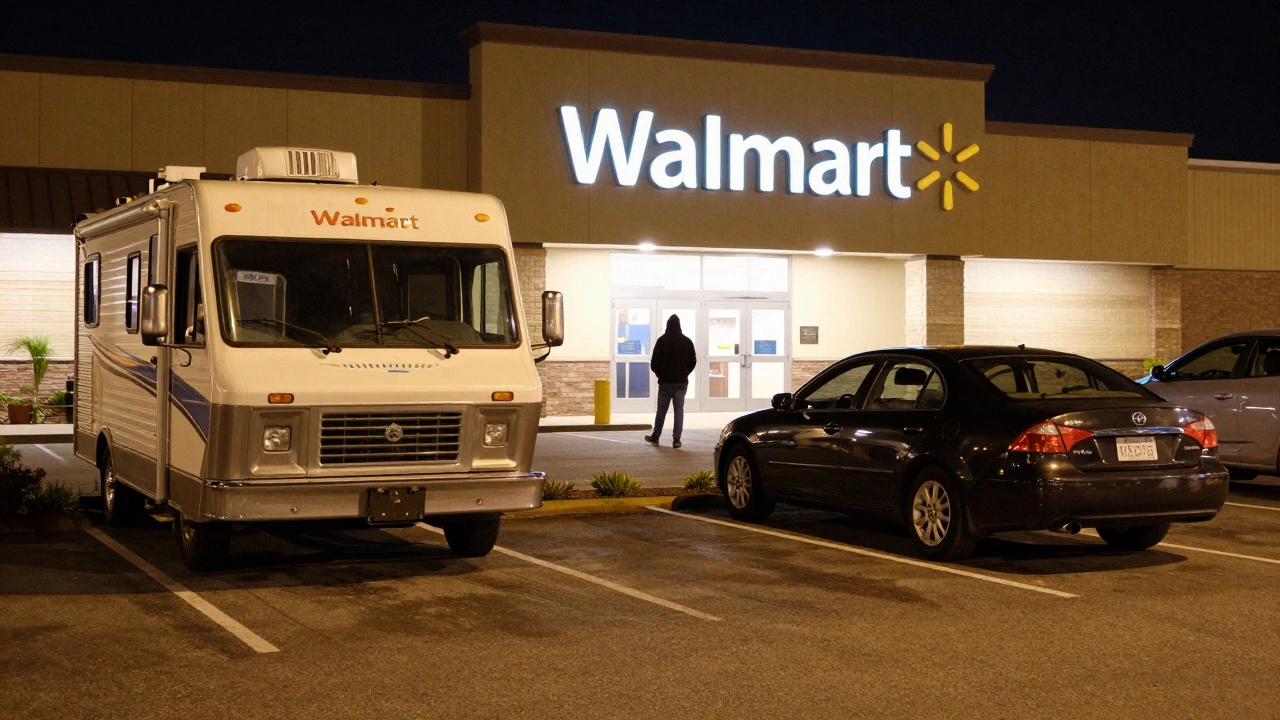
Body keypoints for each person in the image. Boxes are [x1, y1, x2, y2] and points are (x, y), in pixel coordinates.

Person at [645, 314, 697, 449]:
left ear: (667, 325)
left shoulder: (662, 341)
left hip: (665, 383)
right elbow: (693, 361)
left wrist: (661, 375)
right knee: (679, 410)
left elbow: (654, 363)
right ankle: (677, 439)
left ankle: (656, 436)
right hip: (681, 382)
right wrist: (684, 373)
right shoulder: (687, 342)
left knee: (661, 410)